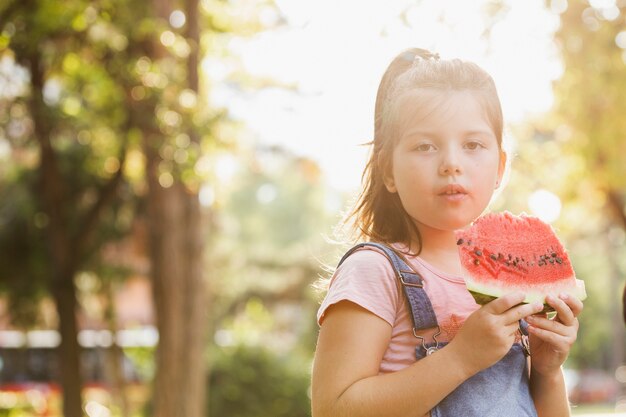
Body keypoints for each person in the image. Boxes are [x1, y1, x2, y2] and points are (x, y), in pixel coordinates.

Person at [311, 48, 582, 417]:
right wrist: (460, 358)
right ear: (387, 170)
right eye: (425, 146)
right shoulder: (373, 271)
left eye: (472, 145)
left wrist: (548, 371)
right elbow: (333, 408)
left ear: (500, 166)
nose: (452, 163)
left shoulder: (510, 276)